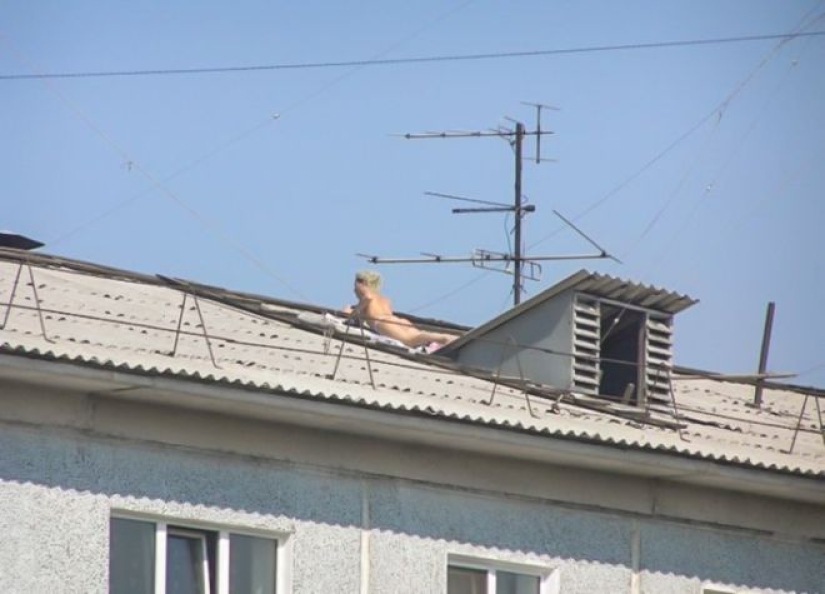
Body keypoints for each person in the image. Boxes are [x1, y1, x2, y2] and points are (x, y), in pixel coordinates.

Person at [343, 270, 456, 348]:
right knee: (418, 335)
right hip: (396, 320)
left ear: (364, 283)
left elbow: (368, 297)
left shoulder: (366, 293)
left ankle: (445, 338)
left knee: (410, 340)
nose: (354, 290)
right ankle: (447, 338)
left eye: (355, 286)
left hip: (382, 322)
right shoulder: (383, 298)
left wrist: (351, 314)